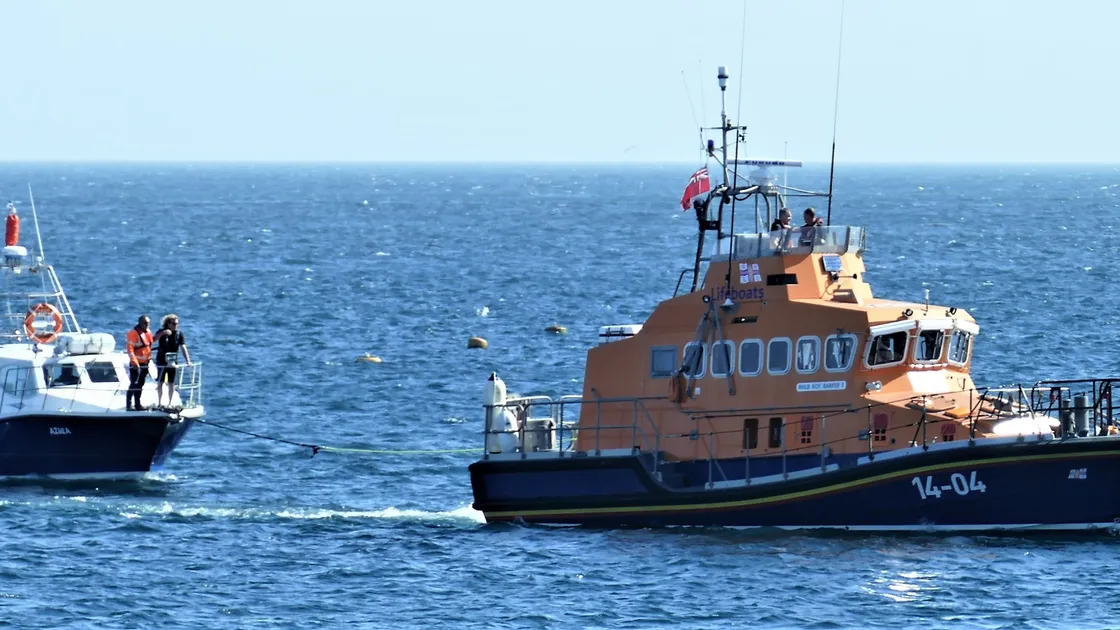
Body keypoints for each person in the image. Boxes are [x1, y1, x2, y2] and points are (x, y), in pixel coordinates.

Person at [154, 313, 191, 408]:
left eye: (177, 323)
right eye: (174, 324)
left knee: (171, 382)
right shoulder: (161, 331)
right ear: (168, 324)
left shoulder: (179, 334)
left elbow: (183, 347)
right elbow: (152, 340)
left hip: (172, 361)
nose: (176, 325)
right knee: (160, 382)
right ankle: (159, 402)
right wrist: (163, 333)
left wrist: (188, 361)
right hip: (162, 360)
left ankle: (170, 403)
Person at [126, 315, 156, 411]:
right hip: (136, 364)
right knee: (133, 384)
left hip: (145, 363)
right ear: (140, 323)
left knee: (140, 384)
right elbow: (130, 349)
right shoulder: (133, 333)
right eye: (145, 323)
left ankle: (138, 404)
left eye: (148, 323)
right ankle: (129, 404)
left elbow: (149, 343)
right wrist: (134, 362)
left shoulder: (148, 332)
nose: (147, 325)